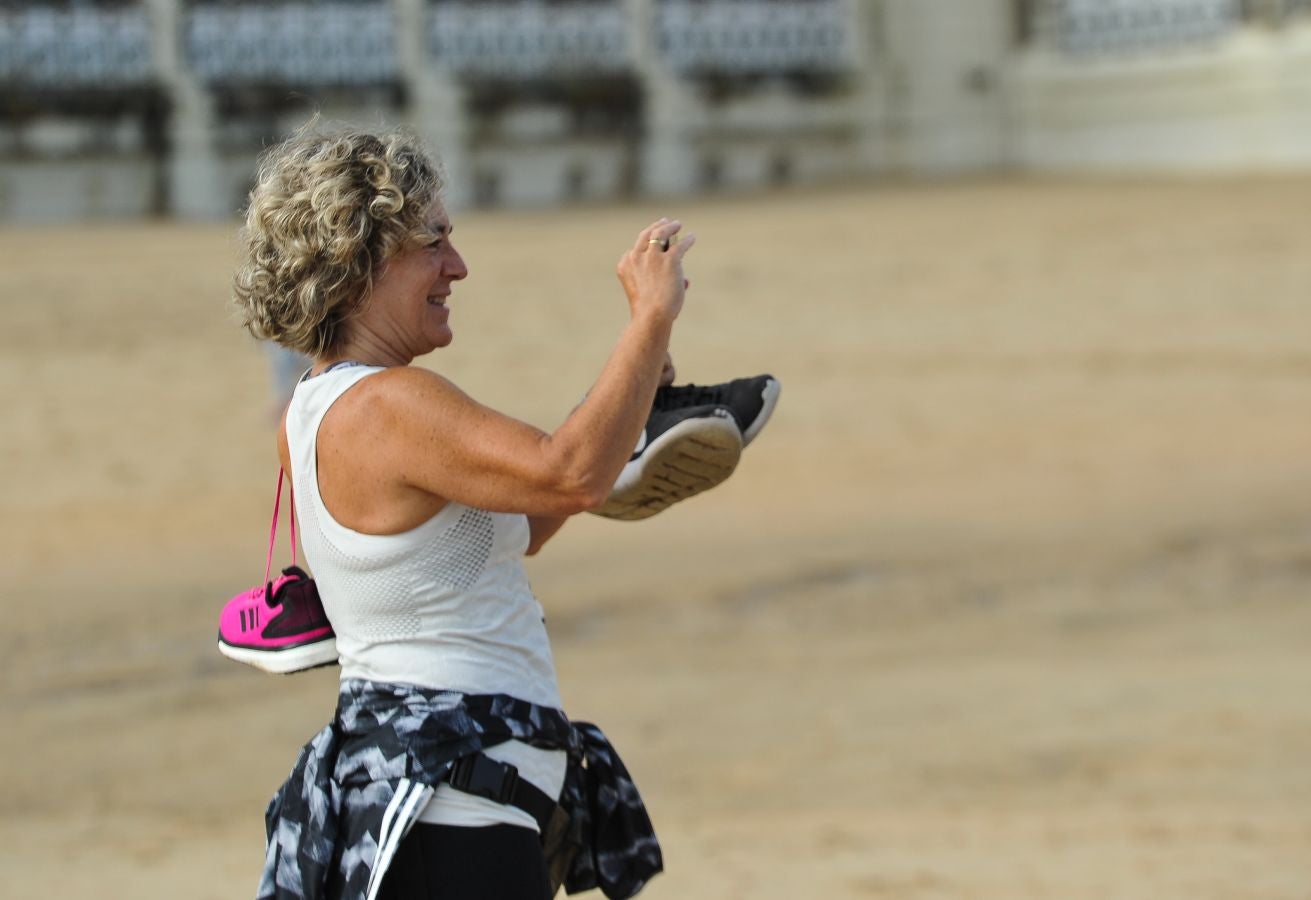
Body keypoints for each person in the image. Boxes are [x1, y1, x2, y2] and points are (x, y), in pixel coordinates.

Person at [231, 123, 733, 900]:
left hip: (446, 804)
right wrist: (648, 319)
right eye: (433, 241)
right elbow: (568, 475)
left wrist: (621, 404)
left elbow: (525, 515)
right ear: (361, 258)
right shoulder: (386, 405)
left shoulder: (318, 410)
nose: (456, 267)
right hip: (448, 813)